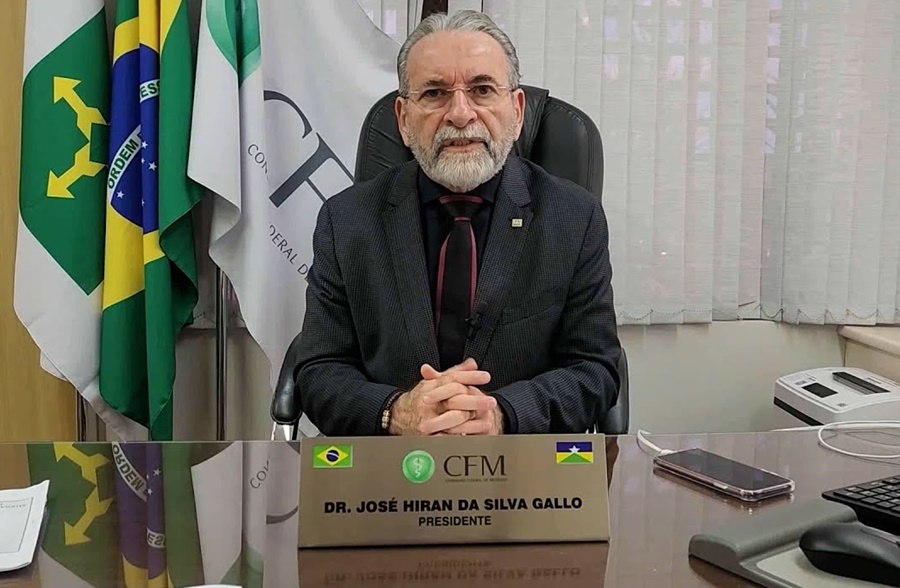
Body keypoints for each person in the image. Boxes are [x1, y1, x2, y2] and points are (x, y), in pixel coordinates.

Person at [289, 10, 621, 437]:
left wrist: (502, 414)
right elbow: (320, 368)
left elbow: (594, 368)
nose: (460, 114)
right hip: (389, 461)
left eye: (482, 90)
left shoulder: (574, 218)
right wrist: (396, 412)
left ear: (517, 110)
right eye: (434, 93)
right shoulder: (346, 221)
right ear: (403, 119)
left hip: (521, 463)